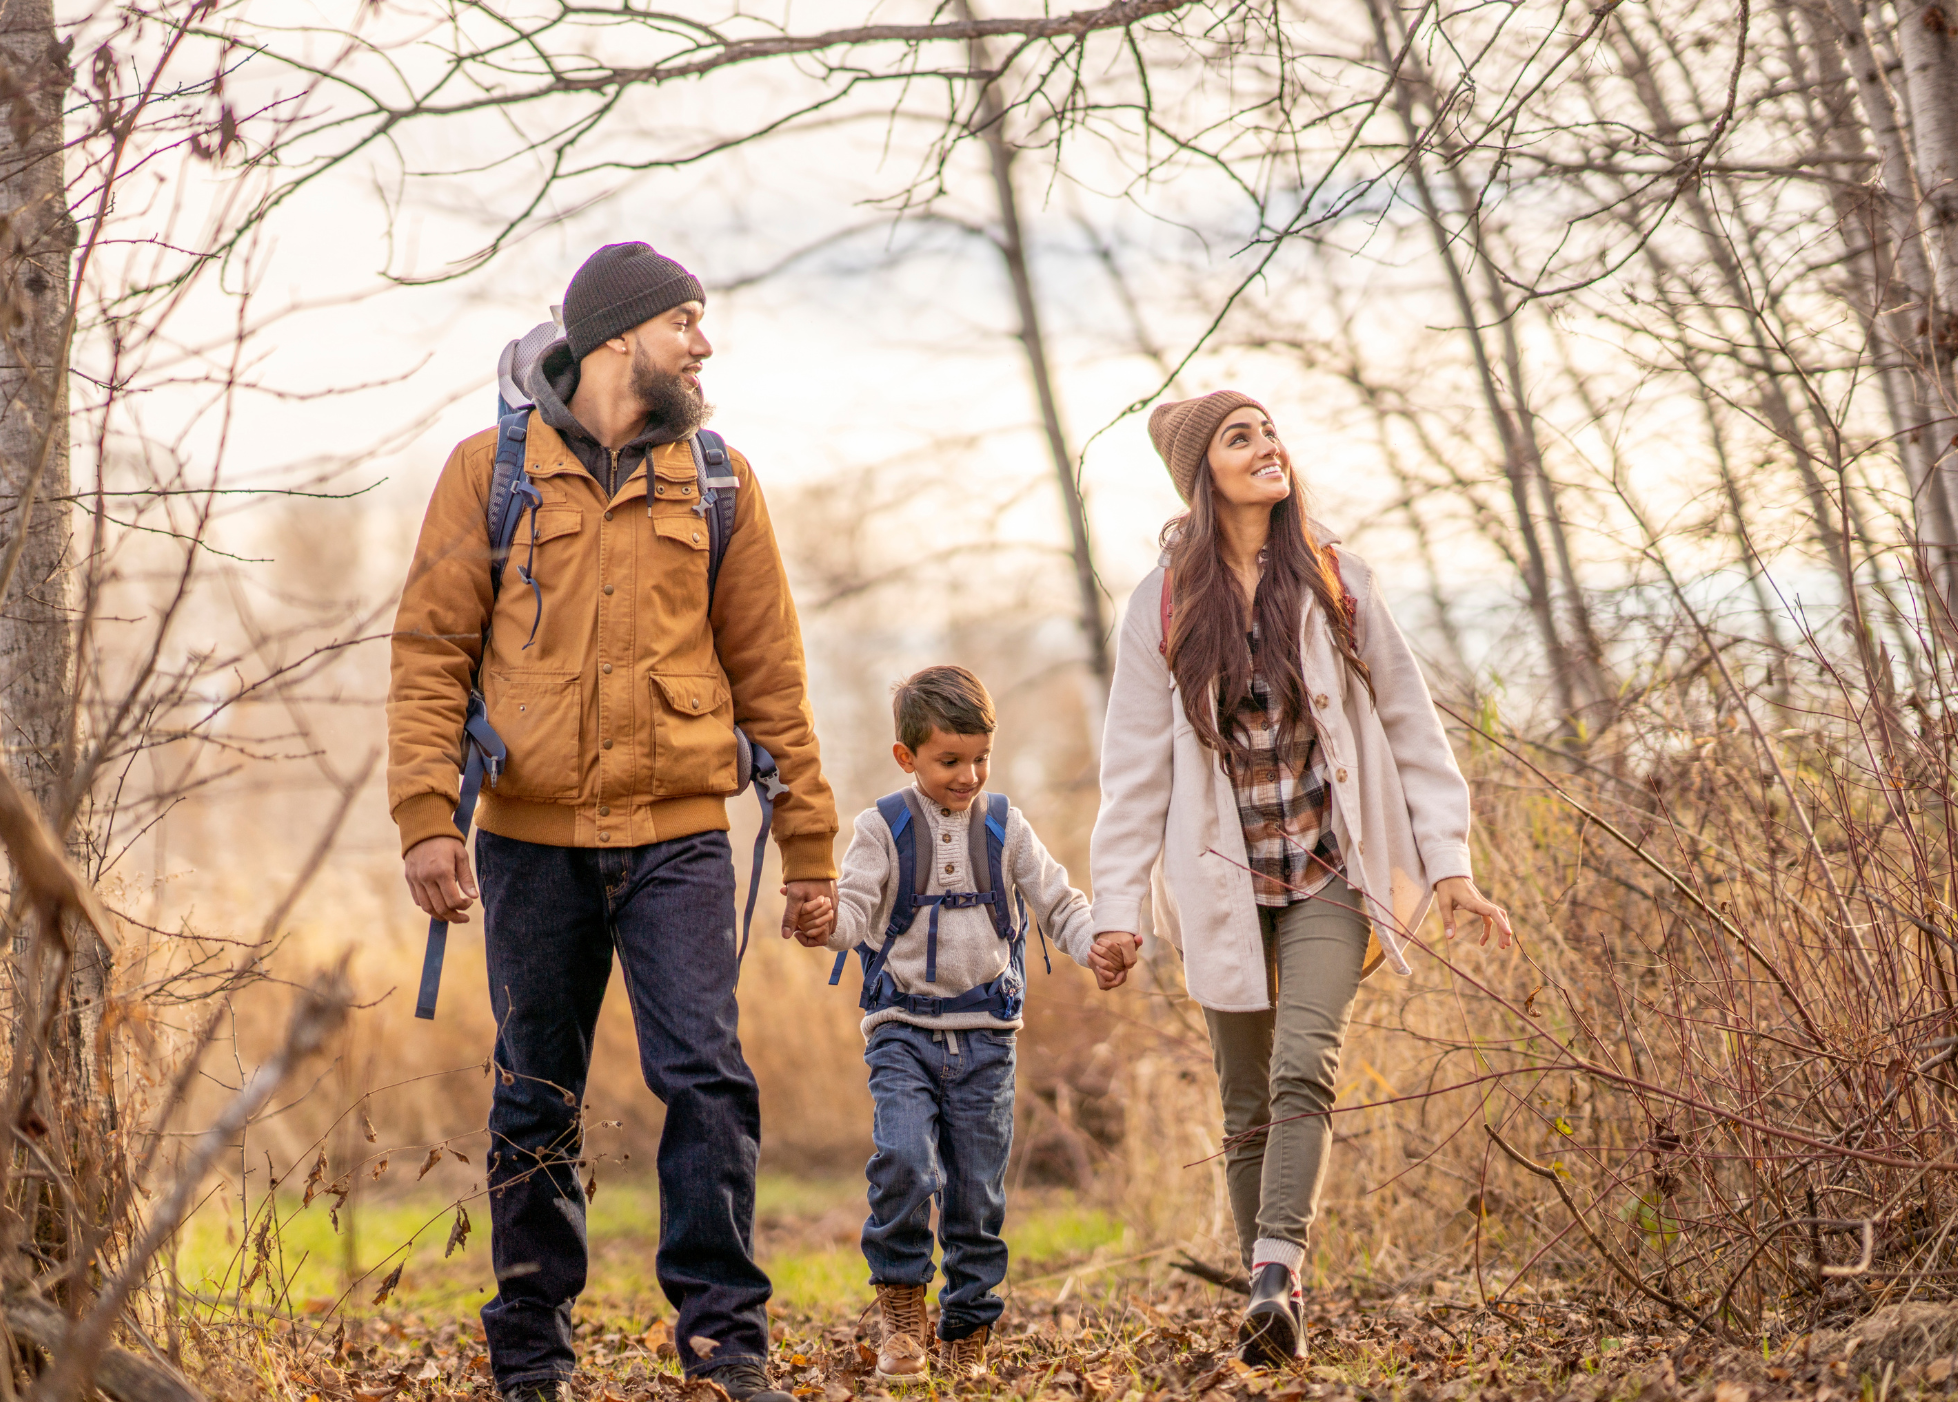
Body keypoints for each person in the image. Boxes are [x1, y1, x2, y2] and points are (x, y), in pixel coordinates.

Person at [385, 242, 839, 1402]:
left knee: (709, 1082)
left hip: (679, 834)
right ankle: (530, 1354)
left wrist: (807, 852)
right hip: (529, 841)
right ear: (615, 337)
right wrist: (426, 816)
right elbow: (431, 656)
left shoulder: (721, 479)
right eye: (686, 321)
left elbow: (772, 678)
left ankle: (725, 1348)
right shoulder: (486, 472)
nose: (704, 342)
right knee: (535, 1090)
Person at [1086, 391, 1512, 1366]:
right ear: (1203, 473)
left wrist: (1447, 867)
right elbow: (1133, 772)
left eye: (1269, 431)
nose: (1267, 447)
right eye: (1241, 438)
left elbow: (1412, 726)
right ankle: (1266, 1313)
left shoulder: (1333, 578)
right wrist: (1117, 913)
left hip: (1328, 873)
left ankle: (1277, 1271)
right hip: (1221, 889)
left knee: (1300, 1066)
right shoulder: (1158, 607)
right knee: (1241, 1104)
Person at [823, 666, 1133, 1380]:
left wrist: (1095, 946)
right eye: (950, 760)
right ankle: (902, 1308)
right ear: (907, 757)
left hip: (988, 1036)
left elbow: (1059, 901)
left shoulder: (1003, 824)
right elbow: (853, 913)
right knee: (903, 1158)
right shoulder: (882, 827)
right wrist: (822, 920)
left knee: (976, 1191)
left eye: (980, 757)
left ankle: (967, 1327)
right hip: (902, 1027)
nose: (969, 775)